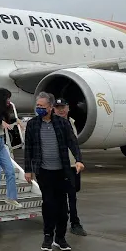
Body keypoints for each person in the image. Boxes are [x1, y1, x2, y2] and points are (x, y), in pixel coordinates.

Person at [24, 92, 84, 251]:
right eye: (38, 106)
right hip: (44, 171)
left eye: (42, 106)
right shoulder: (32, 124)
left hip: (62, 171)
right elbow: (28, 149)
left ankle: (60, 238)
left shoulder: (62, 124)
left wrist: (78, 160)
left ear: (50, 108)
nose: (39, 109)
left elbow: (73, 142)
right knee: (49, 205)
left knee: (63, 207)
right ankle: (47, 237)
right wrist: (28, 170)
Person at [53, 98, 88, 236]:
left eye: (63, 107)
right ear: (53, 109)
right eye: (58, 107)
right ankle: (74, 222)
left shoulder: (72, 122)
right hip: (60, 166)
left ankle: (69, 217)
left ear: (68, 108)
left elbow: (74, 143)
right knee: (68, 195)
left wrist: (79, 160)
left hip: (74, 164)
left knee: (74, 191)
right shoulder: (52, 124)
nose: (61, 110)